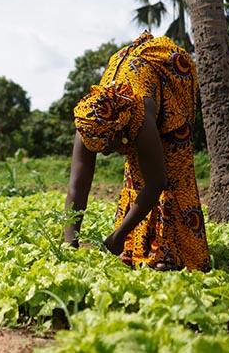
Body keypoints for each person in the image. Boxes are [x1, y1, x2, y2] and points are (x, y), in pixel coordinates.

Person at [64, 32, 210, 271]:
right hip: (130, 69)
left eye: (107, 148)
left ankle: (172, 252)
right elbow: (76, 187)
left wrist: (116, 237)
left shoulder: (142, 118)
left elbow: (156, 183)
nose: (107, 154)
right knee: (136, 170)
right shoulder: (89, 122)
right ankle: (138, 245)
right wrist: (70, 243)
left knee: (173, 168)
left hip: (171, 71)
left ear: (116, 130)